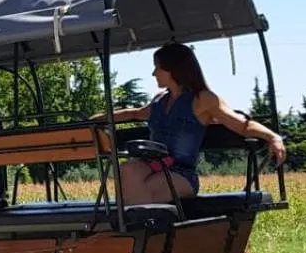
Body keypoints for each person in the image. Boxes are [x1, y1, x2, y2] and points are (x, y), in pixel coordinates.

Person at [104, 42, 286, 204]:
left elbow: (242, 125)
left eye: (157, 68)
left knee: (143, 189)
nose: (154, 73)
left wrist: (273, 137)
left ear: (173, 69)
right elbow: (134, 114)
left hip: (180, 173)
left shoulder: (202, 100)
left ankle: (140, 234)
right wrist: (98, 119)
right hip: (152, 166)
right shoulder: (159, 101)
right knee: (128, 170)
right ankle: (134, 228)